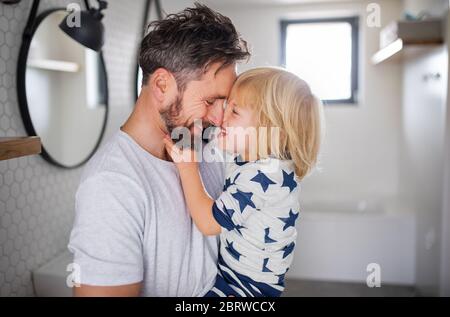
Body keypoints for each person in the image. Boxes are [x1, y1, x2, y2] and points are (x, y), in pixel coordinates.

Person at [68, 4, 250, 296]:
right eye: (209, 101)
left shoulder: (204, 146)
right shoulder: (111, 185)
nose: (219, 118)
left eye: (224, 103)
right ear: (162, 85)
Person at [164, 67, 323, 297]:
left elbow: (209, 223)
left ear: (268, 129)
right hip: (241, 277)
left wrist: (188, 167)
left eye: (234, 112)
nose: (221, 118)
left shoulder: (263, 178)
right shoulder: (256, 157)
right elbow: (212, 135)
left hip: (245, 288)